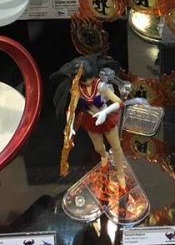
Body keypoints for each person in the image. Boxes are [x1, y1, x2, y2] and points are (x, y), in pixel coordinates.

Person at [52, 55, 127, 189]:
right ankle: (104, 156)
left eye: (91, 77)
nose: (89, 81)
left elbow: (120, 103)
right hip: (91, 119)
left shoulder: (101, 86)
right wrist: (69, 126)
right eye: (85, 79)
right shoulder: (77, 89)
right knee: (98, 148)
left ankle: (121, 173)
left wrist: (104, 112)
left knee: (116, 147)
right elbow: (71, 108)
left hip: (106, 117)